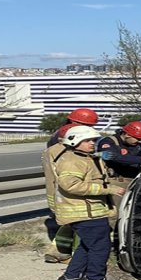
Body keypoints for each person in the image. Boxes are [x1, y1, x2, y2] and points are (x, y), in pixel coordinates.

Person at [52, 125, 127, 280]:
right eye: (87, 140)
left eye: (93, 140)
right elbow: (71, 185)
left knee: (88, 245)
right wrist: (108, 190)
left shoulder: (85, 158)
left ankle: (71, 276)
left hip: (91, 211)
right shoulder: (72, 161)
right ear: (75, 141)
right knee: (100, 246)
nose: (92, 143)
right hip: (85, 213)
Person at [40, 108, 100, 262]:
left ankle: (59, 251)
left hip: (56, 189)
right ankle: (75, 256)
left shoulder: (59, 136)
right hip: (66, 189)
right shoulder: (67, 142)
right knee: (79, 222)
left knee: (70, 222)